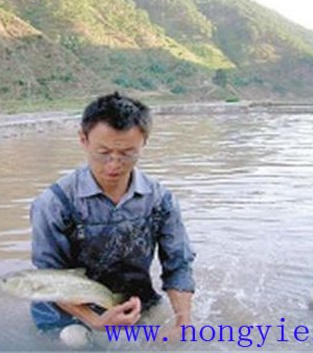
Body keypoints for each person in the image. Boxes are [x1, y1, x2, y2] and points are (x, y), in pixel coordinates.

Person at [30, 92, 195, 334]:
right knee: (74, 341)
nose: (114, 164)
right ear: (83, 139)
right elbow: (48, 279)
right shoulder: (54, 203)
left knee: (179, 337)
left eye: (127, 153)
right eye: (103, 152)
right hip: (67, 314)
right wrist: (96, 321)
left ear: (143, 143)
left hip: (134, 301)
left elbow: (178, 264)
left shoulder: (161, 200)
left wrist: (183, 320)